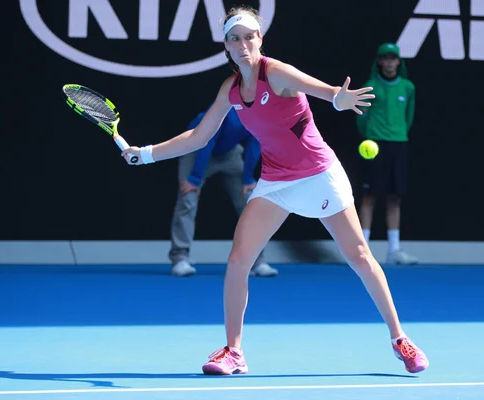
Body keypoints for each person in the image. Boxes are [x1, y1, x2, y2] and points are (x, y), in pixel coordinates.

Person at [122, 7, 429, 375]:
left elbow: (321, 89)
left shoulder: (276, 72)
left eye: (249, 36)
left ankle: (400, 339)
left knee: (359, 256)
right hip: (277, 181)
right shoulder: (231, 90)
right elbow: (199, 137)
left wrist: (338, 97)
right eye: (235, 39)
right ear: (227, 46)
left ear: (260, 38)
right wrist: (145, 154)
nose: (243, 44)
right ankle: (234, 352)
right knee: (238, 260)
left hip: (319, 175)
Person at [168, 105, 279, 277]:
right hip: (196, 149)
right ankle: (180, 257)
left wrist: (248, 178)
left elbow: (254, 143)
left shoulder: (262, 113)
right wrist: (195, 179)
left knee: (250, 199)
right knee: (188, 196)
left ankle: (257, 260)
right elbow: (206, 141)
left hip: (228, 153)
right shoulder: (227, 107)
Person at [356, 43, 419, 265]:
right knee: (369, 196)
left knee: (395, 197)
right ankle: (362, 250)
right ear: (380, 62)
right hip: (375, 145)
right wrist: (372, 135)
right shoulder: (370, 86)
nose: (390, 62)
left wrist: (397, 133)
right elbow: (361, 118)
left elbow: (408, 118)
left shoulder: (408, 88)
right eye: (386, 58)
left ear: (398, 62)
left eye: (394, 58)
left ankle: (394, 250)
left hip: (399, 144)